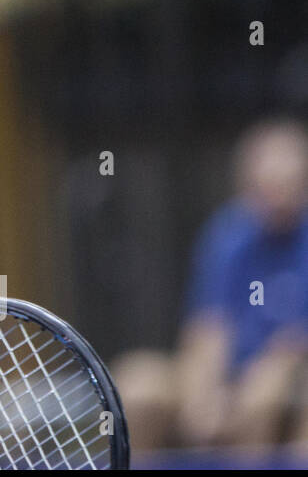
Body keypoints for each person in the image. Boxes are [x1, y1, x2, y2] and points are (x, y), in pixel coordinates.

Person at [115, 116, 308, 451]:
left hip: (289, 381)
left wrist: (272, 373)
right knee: (137, 384)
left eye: (288, 178)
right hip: (227, 378)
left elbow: (293, 344)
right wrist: (203, 397)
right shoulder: (227, 235)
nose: (276, 188)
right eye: (266, 178)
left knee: (265, 396)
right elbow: (208, 327)